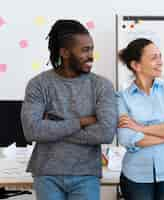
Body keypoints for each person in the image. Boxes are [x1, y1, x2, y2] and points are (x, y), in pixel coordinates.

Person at [21, 19, 117, 200]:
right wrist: (82, 121)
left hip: (86, 175)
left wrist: (54, 125)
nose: (91, 56)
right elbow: (32, 130)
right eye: (84, 50)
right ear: (64, 52)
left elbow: (105, 133)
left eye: (91, 49)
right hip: (46, 173)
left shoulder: (102, 85)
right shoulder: (38, 84)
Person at [117, 38, 164, 200]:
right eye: (153, 58)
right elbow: (126, 137)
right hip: (136, 176)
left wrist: (141, 128)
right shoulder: (122, 97)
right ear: (136, 65)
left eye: (160, 56)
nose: (160, 62)